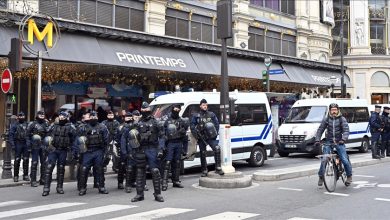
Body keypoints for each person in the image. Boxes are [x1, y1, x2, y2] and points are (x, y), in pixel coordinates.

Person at [131, 102, 164, 202]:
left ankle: (157, 194)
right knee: (140, 171)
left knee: (155, 171)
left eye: (147, 110)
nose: (145, 112)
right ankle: (139, 194)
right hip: (141, 149)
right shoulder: (137, 123)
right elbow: (132, 137)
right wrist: (133, 150)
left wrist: (160, 149)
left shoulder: (156, 122)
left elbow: (162, 136)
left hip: (152, 148)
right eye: (143, 110)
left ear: (150, 110)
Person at [315, 103, 352, 186]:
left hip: (339, 141)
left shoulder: (342, 119)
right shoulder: (326, 119)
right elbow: (320, 130)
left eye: (335, 110)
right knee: (324, 159)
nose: (334, 111)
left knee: (344, 160)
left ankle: (349, 176)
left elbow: (346, 130)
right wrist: (317, 140)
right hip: (329, 142)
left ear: (338, 110)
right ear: (330, 110)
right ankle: (321, 176)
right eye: (332, 110)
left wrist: (343, 139)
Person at [42, 111, 76, 196]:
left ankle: (59, 187)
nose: (61, 117)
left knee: (61, 168)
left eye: (63, 116)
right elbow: (46, 135)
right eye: (60, 115)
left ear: (67, 117)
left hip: (63, 150)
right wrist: (46, 146)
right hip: (53, 149)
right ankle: (46, 188)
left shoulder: (71, 127)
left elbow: (74, 139)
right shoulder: (53, 125)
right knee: (49, 167)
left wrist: (73, 151)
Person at [78, 111, 109, 196]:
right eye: (91, 117)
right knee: (84, 170)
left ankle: (101, 187)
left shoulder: (102, 127)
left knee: (100, 169)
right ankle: (82, 188)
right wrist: (78, 153)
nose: (93, 118)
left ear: (97, 117)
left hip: (98, 151)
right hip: (87, 151)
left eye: (94, 117)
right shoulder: (83, 128)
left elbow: (106, 140)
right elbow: (78, 140)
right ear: (89, 118)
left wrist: (106, 152)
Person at [190, 99, 224, 177]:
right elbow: (192, 126)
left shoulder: (211, 114)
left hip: (211, 137)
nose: (204, 106)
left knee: (217, 149)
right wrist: (197, 136)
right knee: (203, 153)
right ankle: (204, 170)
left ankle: (218, 168)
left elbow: (216, 124)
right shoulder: (196, 116)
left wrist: (214, 135)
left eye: (205, 105)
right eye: (203, 105)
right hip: (202, 137)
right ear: (200, 106)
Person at [161, 104, 189, 191]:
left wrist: (185, 149)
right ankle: (164, 182)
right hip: (170, 143)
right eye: (175, 108)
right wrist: (162, 147)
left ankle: (176, 181)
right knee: (168, 162)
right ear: (172, 109)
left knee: (177, 163)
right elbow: (163, 134)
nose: (176, 110)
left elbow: (185, 136)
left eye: (178, 109)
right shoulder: (167, 121)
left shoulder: (182, 121)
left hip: (179, 143)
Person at [26, 110, 49, 187]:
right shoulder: (32, 124)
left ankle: (43, 179)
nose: (42, 116)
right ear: (37, 115)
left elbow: (49, 134)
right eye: (40, 115)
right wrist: (29, 145)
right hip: (35, 145)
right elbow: (27, 135)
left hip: (43, 145)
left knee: (44, 163)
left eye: (43, 115)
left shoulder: (46, 124)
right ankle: (33, 180)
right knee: (34, 162)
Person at [9, 112, 30, 182]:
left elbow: (30, 134)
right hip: (18, 143)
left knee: (26, 159)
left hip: (25, 144)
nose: (21, 117)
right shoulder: (14, 125)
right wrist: (12, 144)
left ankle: (26, 175)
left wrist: (29, 143)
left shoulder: (27, 124)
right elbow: (11, 135)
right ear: (18, 117)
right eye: (20, 116)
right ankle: (15, 176)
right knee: (17, 160)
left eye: (22, 116)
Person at [120, 111, 138, 193]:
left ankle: (136, 182)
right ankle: (128, 185)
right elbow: (123, 140)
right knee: (129, 168)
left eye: (131, 118)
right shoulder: (125, 127)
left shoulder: (137, 125)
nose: (130, 119)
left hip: (137, 148)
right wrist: (124, 151)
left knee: (137, 167)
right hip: (129, 148)